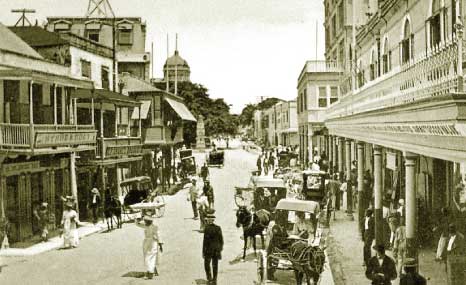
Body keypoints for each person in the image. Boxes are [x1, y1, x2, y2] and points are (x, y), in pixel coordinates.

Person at [135, 215, 163, 280]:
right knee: (148, 257)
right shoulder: (145, 226)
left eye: (146, 221)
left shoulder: (154, 227)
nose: (145, 222)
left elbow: (158, 235)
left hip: (153, 243)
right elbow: (137, 224)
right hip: (146, 243)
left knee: (149, 257)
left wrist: (160, 244)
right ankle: (152, 270)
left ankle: (150, 273)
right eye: (145, 221)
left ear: (150, 221)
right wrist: (137, 220)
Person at [267, 211, 289, 280]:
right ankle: (270, 275)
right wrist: (284, 239)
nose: (283, 221)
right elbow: (276, 237)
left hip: (281, 244)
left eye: (284, 220)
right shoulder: (275, 227)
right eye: (282, 220)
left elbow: (286, 235)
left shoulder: (283, 227)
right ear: (279, 220)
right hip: (274, 245)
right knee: (273, 261)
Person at [203, 210, 223, 285]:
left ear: (208, 220)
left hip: (208, 250)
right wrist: (219, 249)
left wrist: (203, 252)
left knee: (206, 264)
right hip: (216, 250)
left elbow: (205, 242)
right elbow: (221, 240)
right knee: (215, 265)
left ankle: (209, 278)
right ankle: (215, 279)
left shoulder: (207, 228)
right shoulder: (218, 228)